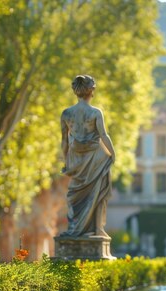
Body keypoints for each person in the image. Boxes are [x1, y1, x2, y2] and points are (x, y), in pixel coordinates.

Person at [60, 75, 116, 238]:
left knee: (74, 194)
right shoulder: (95, 112)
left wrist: (66, 162)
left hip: (76, 159)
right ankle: (97, 229)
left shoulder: (66, 113)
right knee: (98, 194)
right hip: (96, 158)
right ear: (91, 91)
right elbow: (104, 135)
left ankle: (75, 229)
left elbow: (64, 142)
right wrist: (112, 154)